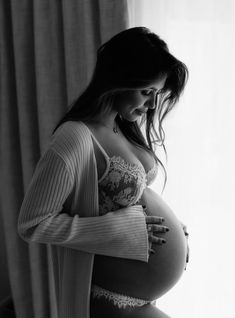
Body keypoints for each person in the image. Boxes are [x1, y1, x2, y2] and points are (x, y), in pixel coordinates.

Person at [18, 27, 189, 318]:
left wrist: (175, 234)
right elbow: (32, 223)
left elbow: (127, 202)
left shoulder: (123, 128)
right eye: (146, 92)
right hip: (112, 300)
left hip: (137, 297)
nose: (151, 105)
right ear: (119, 79)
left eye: (156, 94)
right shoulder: (75, 136)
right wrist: (122, 231)